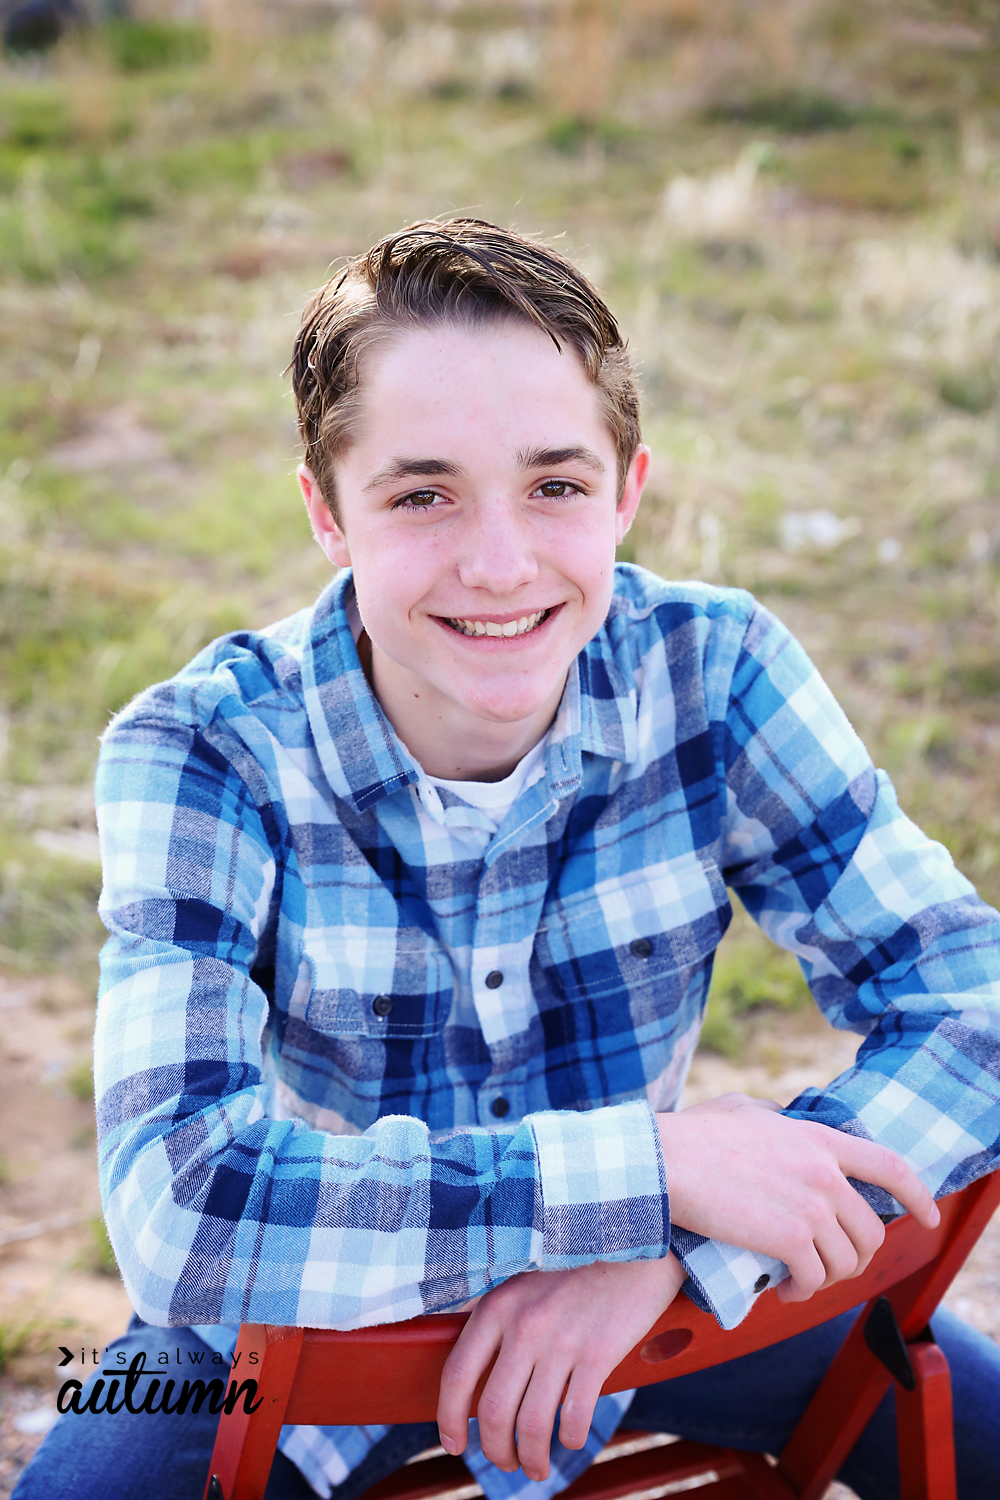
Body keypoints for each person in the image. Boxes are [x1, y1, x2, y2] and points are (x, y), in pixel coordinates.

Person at [14, 220, 1000, 1500]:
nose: (497, 563)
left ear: (627, 490)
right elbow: (181, 1214)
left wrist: (667, 1245)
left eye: (555, 485)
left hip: (662, 1311)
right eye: (422, 493)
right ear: (327, 511)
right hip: (307, 1312)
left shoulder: (715, 672)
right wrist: (645, 1172)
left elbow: (975, 1003)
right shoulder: (204, 749)